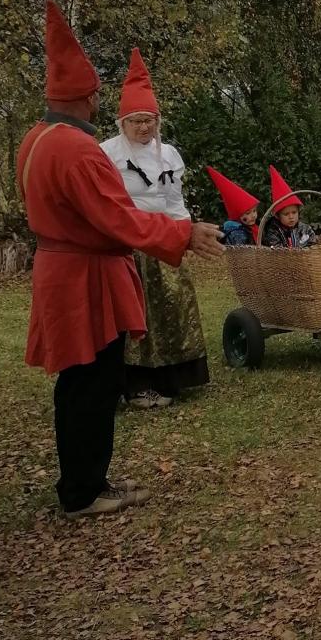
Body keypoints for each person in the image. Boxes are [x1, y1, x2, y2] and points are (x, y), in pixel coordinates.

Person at [20, 1, 223, 519]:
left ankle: (85, 481)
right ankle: (84, 491)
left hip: (62, 268)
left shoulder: (36, 140)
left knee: (80, 380)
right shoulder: (77, 150)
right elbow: (119, 219)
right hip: (84, 277)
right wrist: (183, 234)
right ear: (88, 97)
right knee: (93, 380)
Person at [99, 49, 210, 407]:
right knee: (136, 313)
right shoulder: (107, 154)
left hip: (165, 239)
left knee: (173, 307)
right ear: (123, 123)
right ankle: (135, 384)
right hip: (129, 242)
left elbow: (175, 201)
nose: (144, 128)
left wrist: (184, 236)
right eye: (136, 121)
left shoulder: (169, 155)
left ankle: (173, 377)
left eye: (149, 120)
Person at [261, 166, 318, 249]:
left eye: (294, 212)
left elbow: (313, 243)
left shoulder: (305, 229)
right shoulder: (273, 232)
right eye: (286, 214)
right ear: (277, 216)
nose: (291, 217)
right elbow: (275, 248)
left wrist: (308, 250)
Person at [207, 167, 261, 246]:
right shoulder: (238, 233)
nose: (253, 215)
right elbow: (242, 251)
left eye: (254, 211)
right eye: (248, 213)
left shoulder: (253, 228)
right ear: (237, 216)